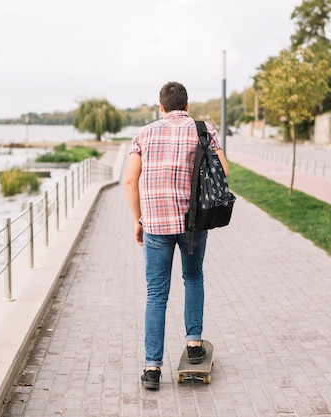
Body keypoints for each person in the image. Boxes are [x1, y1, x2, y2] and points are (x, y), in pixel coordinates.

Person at [125, 81, 229, 390]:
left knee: (156, 293)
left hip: (155, 224)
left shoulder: (143, 134)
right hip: (193, 223)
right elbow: (223, 171)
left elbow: (131, 181)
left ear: (161, 106)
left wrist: (138, 221)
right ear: (186, 104)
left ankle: (152, 368)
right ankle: (194, 345)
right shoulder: (203, 129)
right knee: (193, 278)